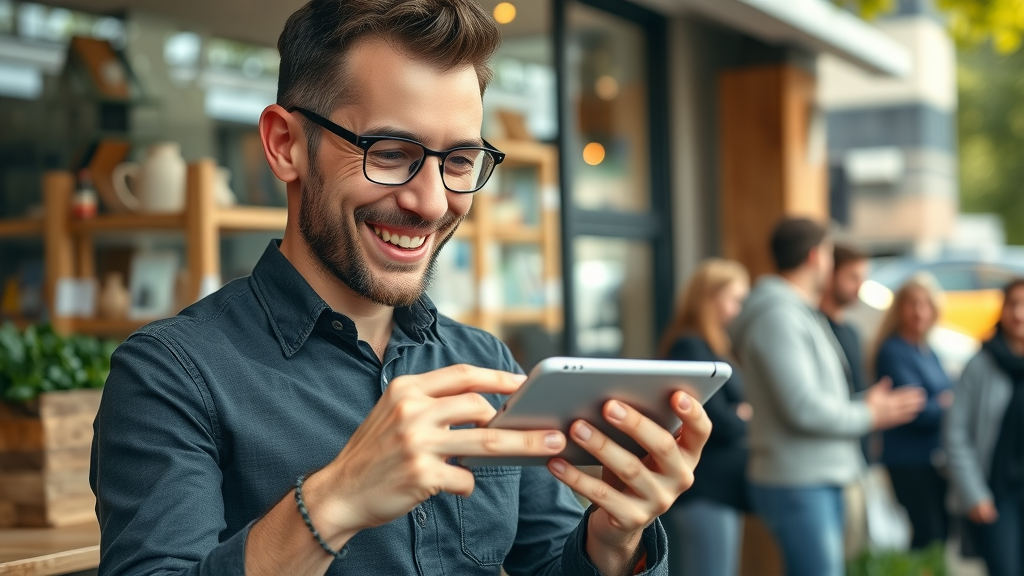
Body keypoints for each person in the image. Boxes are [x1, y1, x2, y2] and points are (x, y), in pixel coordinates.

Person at [88, 2, 712, 575]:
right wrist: (335, 501)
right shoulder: (170, 375)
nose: (432, 201)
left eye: (459, 162)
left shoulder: (485, 363)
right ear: (285, 146)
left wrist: (612, 541)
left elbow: (547, 562)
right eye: (389, 152)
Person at [730, 217, 926, 576]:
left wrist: (867, 404)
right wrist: (870, 415)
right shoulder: (778, 316)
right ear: (816, 256)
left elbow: (812, 397)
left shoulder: (797, 312)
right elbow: (802, 408)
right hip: (798, 480)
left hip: (816, 477)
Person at [657, 259, 751, 576]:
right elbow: (715, 421)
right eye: (735, 299)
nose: (738, 309)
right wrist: (745, 416)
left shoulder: (714, 344)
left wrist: (741, 413)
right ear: (711, 297)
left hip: (719, 488)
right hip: (704, 488)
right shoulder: (691, 346)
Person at [945, 278, 1024, 576]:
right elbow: (955, 433)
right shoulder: (980, 364)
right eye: (1013, 304)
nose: (1019, 313)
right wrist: (973, 493)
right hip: (996, 493)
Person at [872, 273, 953, 550]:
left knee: (939, 536)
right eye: (912, 303)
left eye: (925, 304)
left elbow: (945, 399)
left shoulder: (927, 350)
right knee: (926, 537)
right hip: (909, 460)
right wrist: (943, 404)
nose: (919, 312)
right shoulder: (894, 351)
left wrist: (942, 403)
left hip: (933, 459)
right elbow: (916, 410)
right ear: (899, 308)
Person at [820, 244, 871, 397]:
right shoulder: (815, 328)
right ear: (830, 275)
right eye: (853, 277)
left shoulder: (852, 333)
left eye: (862, 278)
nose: (859, 286)